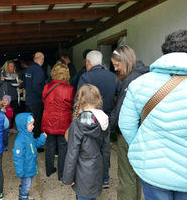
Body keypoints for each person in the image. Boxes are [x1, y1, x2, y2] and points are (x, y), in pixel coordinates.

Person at [118, 29, 187, 200]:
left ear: (165, 51)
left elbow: (126, 124)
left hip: (152, 169)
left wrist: (142, 147)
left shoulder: (139, 83)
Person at [109, 45, 149, 200]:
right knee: (136, 174)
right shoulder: (144, 74)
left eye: (117, 65)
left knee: (126, 176)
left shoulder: (130, 80)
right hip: (142, 130)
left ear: (126, 61)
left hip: (128, 132)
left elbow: (120, 111)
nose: (116, 69)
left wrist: (109, 125)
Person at [77, 50, 119, 187]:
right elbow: (119, 98)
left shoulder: (85, 77)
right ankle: (105, 178)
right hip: (105, 119)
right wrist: (112, 116)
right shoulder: (113, 77)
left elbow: (79, 100)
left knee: (89, 150)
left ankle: (90, 179)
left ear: (88, 63)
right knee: (104, 149)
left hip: (88, 120)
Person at [62, 84, 110, 200]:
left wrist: (68, 178)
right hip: (97, 169)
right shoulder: (104, 120)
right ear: (98, 99)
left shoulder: (77, 124)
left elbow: (72, 154)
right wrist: (104, 174)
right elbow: (106, 150)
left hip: (81, 173)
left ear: (79, 101)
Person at [41, 60, 75, 180]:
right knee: (63, 147)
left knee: (49, 145)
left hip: (49, 119)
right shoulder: (70, 89)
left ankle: (49, 170)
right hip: (63, 121)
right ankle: (62, 174)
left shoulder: (47, 87)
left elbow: (44, 101)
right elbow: (72, 105)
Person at [12, 113, 47, 200]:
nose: (33, 126)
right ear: (23, 126)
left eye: (33, 124)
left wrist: (42, 138)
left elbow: (36, 144)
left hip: (31, 167)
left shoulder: (29, 136)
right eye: (30, 125)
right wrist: (20, 171)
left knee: (27, 183)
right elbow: (18, 158)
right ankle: (24, 197)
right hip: (26, 169)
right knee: (26, 185)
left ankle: (22, 195)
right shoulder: (20, 141)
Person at [23, 52, 46, 152]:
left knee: (28, 124)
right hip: (36, 101)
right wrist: (43, 96)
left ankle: (27, 144)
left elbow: (24, 83)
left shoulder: (28, 69)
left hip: (28, 100)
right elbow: (36, 86)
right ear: (42, 59)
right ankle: (35, 146)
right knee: (35, 125)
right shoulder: (39, 70)